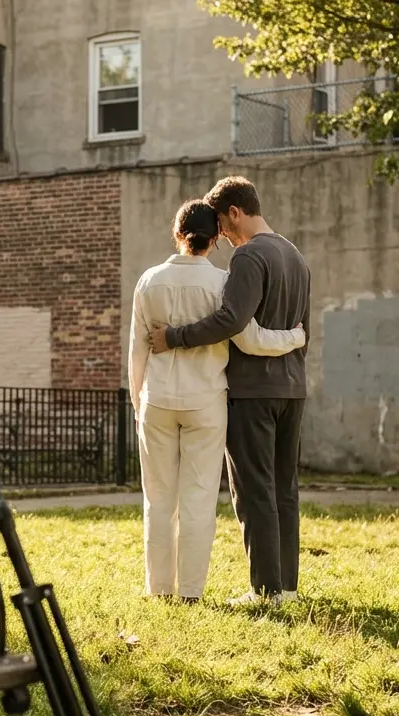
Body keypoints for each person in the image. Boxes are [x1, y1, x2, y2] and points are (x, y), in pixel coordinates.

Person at [129, 199, 306, 603]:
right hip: (205, 402)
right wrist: (295, 338)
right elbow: (251, 337)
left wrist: (138, 400)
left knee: (158, 498)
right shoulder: (221, 282)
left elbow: (136, 349)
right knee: (199, 495)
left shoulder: (148, 281)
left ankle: (159, 590)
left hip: (156, 399)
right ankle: (191, 592)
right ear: (215, 239)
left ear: (178, 234)